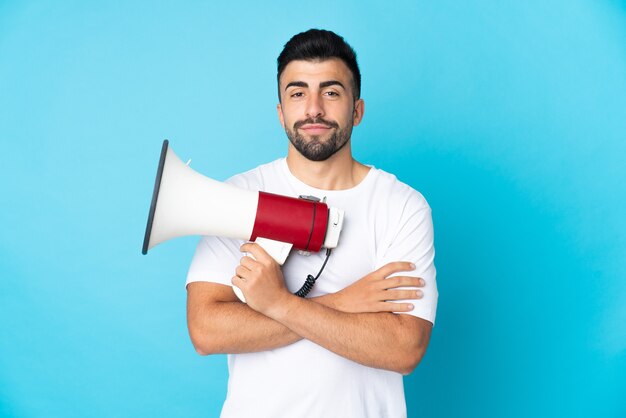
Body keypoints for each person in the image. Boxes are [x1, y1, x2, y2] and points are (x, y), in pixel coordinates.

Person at [186, 29, 438, 418]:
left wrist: (277, 304)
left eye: (332, 92)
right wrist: (342, 303)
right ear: (281, 111)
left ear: (357, 110)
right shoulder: (237, 198)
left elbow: (405, 349)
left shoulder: (402, 206)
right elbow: (206, 330)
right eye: (298, 93)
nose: (314, 109)